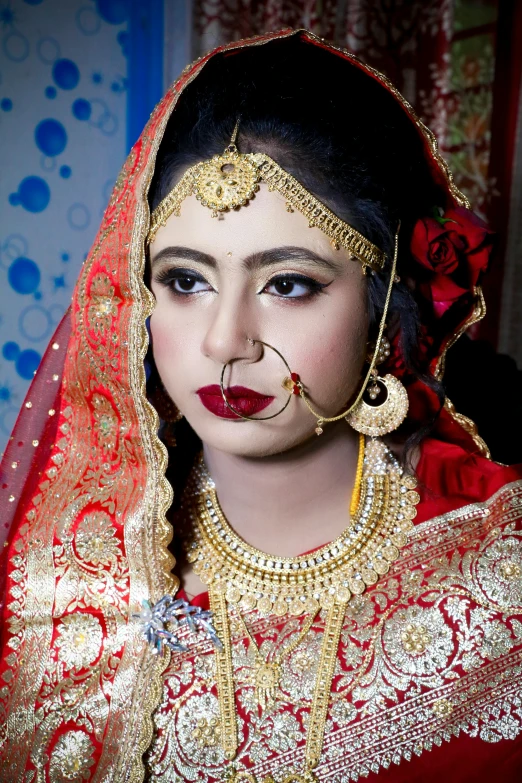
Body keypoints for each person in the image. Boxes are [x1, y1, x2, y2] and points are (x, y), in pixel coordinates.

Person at [0, 28, 521, 783]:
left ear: (384, 307)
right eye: (185, 279)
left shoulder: (498, 575)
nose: (225, 339)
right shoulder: (70, 576)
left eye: (288, 283)